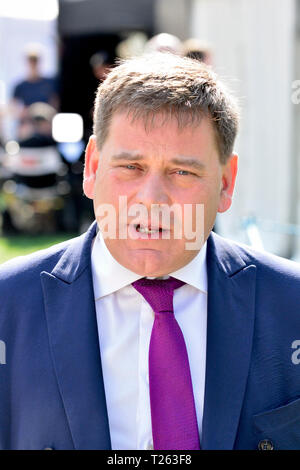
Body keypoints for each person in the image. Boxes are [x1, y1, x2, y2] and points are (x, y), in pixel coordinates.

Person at [1, 53, 300, 451]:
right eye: (131, 167)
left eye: (182, 172)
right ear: (92, 167)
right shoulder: (8, 308)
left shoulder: (291, 306)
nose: (151, 200)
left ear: (226, 183)